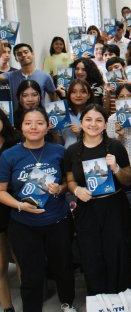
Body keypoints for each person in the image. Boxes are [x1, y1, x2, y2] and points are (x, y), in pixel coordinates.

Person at [0, 107, 77, 312]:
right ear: (20, 127)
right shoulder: (9, 156)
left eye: (39, 123)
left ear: (48, 126)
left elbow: (69, 183)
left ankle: (67, 304)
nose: (34, 127)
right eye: (28, 123)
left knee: (63, 268)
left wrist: (59, 188)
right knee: (31, 275)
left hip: (58, 221)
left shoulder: (60, 151)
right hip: (24, 225)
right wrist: (19, 205)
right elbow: (1, 191)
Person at [64, 104, 131, 296]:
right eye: (88, 119)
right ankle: (99, 301)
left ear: (105, 125)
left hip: (114, 207)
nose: (93, 124)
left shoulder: (115, 146)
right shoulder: (72, 151)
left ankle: (122, 301)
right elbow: (69, 179)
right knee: (91, 256)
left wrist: (117, 169)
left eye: (98, 120)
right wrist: (76, 189)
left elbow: (128, 180)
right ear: (81, 122)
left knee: (118, 254)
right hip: (86, 210)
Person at [0, 109, 19, 312]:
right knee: (1, 264)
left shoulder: (14, 144)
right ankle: (7, 306)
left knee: (20, 256)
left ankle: (29, 296)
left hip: (16, 204)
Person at [59, 79, 93, 149]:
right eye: (73, 92)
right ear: (69, 95)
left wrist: (82, 133)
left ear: (89, 95)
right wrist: (54, 132)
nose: (78, 95)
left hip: (90, 156)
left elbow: (102, 139)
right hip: (67, 155)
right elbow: (58, 142)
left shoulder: (95, 114)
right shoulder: (62, 114)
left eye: (83, 92)